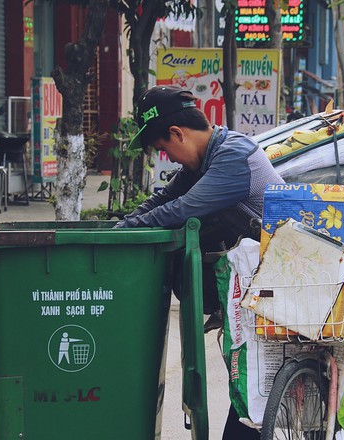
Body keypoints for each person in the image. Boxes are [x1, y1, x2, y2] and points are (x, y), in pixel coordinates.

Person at [114, 85, 284, 439]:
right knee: (249, 382)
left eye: (165, 149)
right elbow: (164, 198)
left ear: (178, 133)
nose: (170, 158)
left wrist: (123, 232)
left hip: (281, 282)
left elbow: (181, 210)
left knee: (253, 382)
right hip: (254, 285)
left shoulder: (233, 156)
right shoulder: (205, 158)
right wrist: (120, 228)